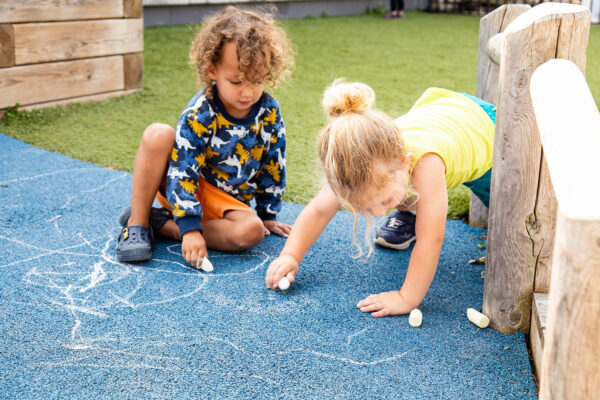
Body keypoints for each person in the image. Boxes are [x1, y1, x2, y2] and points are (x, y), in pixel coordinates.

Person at [265, 80, 495, 317]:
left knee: (510, 218)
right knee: (397, 191)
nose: (378, 214)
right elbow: (318, 211)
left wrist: (407, 298)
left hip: (492, 134)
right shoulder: (359, 164)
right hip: (447, 114)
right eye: (365, 207)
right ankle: (409, 212)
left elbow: (432, 238)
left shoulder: (427, 165)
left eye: (383, 204)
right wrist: (290, 255)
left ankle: (412, 212)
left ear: (405, 163)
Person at [116, 6, 294, 267]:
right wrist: (189, 229)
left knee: (251, 232)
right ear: (212, 70)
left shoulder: (268, 111)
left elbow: (273, 160)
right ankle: (138, 224)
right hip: (186, 186)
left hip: (226, 203)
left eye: (257, 81)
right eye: (236, 82)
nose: (247, 92)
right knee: (157, 134)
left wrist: (267, 212)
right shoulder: (202, 111)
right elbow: (183, 169)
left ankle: (163, 225)